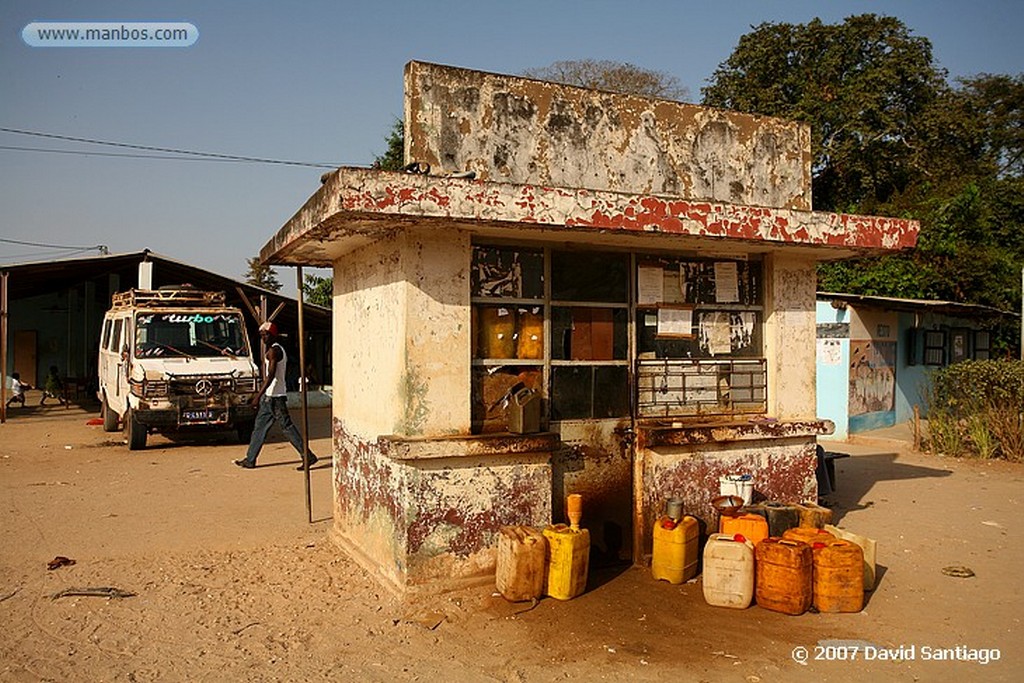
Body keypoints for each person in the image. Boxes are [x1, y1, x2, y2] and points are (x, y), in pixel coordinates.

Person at [234, 322, 318, 471]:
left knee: (287, 428)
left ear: (273, 335)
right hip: (270, 396)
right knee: (259, 429)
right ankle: (250, 459)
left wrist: (257, 396)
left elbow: (271, 375)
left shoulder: (274, 351)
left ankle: (307, 455)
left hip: (275, 397)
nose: (263, 338)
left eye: (265, 335)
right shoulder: (276, 350)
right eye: (261, 335)